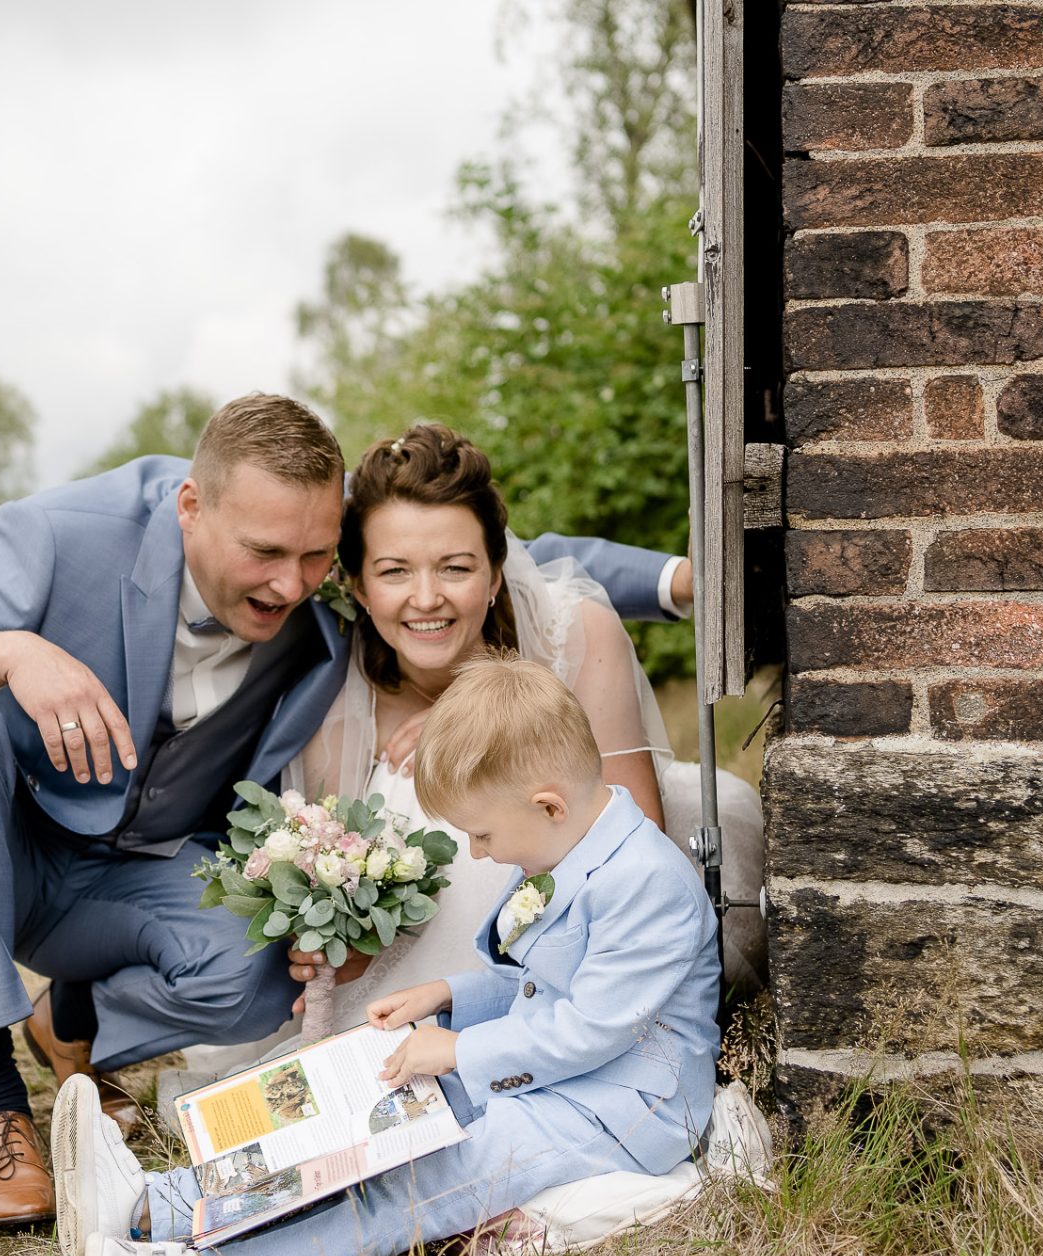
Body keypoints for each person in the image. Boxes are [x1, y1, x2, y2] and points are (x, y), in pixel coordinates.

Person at [0, 394, 688, 1228]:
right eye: (264, 554)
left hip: (122, 878)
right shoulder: (53, 538)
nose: (290, 584)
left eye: (313, 560)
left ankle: (71, 1017)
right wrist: (5, 653)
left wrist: (682, 580)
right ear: (190, 506)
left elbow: (486, 549)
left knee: (275, 963)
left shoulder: (319, 579)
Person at [53, 653, 721, 1256]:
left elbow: (591, 1029)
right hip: (547, 1075)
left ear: (548, 804)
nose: (480, 854)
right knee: (362, 1115)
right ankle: (154, 1205)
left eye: (482, 835)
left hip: (618, 1110)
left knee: (415, 1177)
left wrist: (459, 1050)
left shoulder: (646, 883)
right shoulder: (561, 845)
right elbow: (542, 983)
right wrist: (443, 993)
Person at [184, 423, 761, 1082]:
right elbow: (334, 880)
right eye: (394, 572)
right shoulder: (333, 696)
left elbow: (630, 835)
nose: (426, 599)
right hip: (416, 969)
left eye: (456, 569)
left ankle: (509, 1036)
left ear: (495, 575)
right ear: (358, 586)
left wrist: (476, 723)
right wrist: (336, 941)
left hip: (579, 930)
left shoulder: (573, 635)